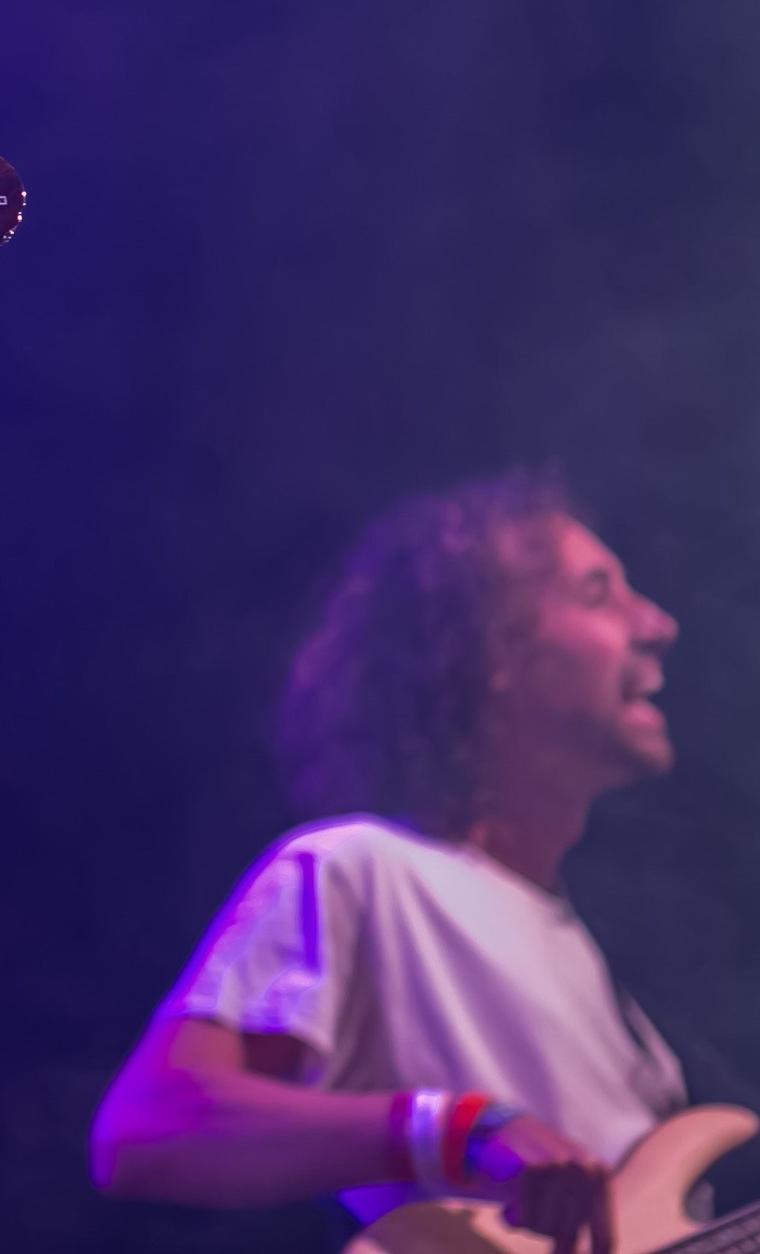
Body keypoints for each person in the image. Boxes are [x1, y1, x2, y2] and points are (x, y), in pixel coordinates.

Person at [90, 472, 689, 1254]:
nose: (658, 624)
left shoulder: (593, 963)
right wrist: (458, 1128)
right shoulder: (359, 869)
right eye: (596, 593)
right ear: (490, 646)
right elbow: (152, 1127)